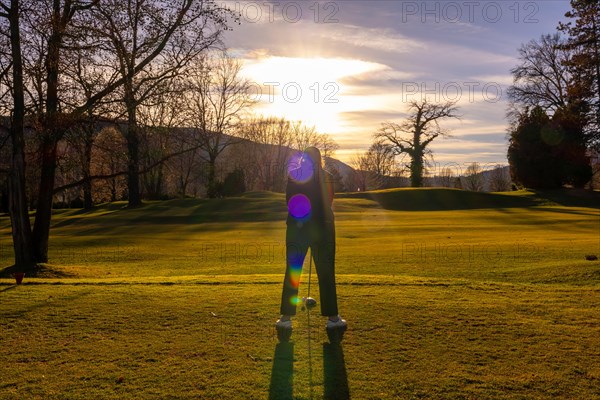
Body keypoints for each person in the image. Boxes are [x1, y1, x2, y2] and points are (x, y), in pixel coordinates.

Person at [276, 147, 347, 332]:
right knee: (326, 272)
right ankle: (332, 318)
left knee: (293, 270)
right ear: (320, 159)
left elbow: (290, 201)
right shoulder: (327, 176)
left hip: (297, 229)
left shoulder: (294, 175)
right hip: (322, 228)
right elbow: (328, 201)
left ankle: (285, 317)